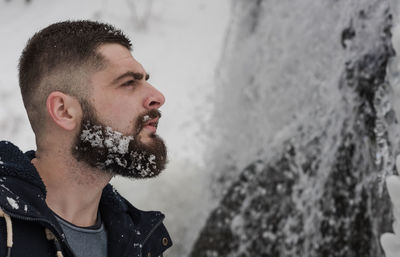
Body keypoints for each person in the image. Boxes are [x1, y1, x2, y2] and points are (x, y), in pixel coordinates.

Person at [0, 20, 172, 257]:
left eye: (145, 80)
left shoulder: (140, 241)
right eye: (129, 83)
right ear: (63, 110)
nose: (157, 96)